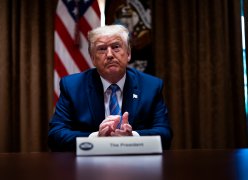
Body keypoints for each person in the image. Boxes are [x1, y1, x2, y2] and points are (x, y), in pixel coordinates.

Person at [48, 24, 173, 152]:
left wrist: (133, 136)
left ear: (128, 53)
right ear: (92, 58)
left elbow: (165, 134)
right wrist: (95, 137)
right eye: (102, 49)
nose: (109, 55)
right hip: (89, 164)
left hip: (136, 163)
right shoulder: (72, 86)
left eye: (116, 47)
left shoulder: (150, 86)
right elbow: (55, 135)